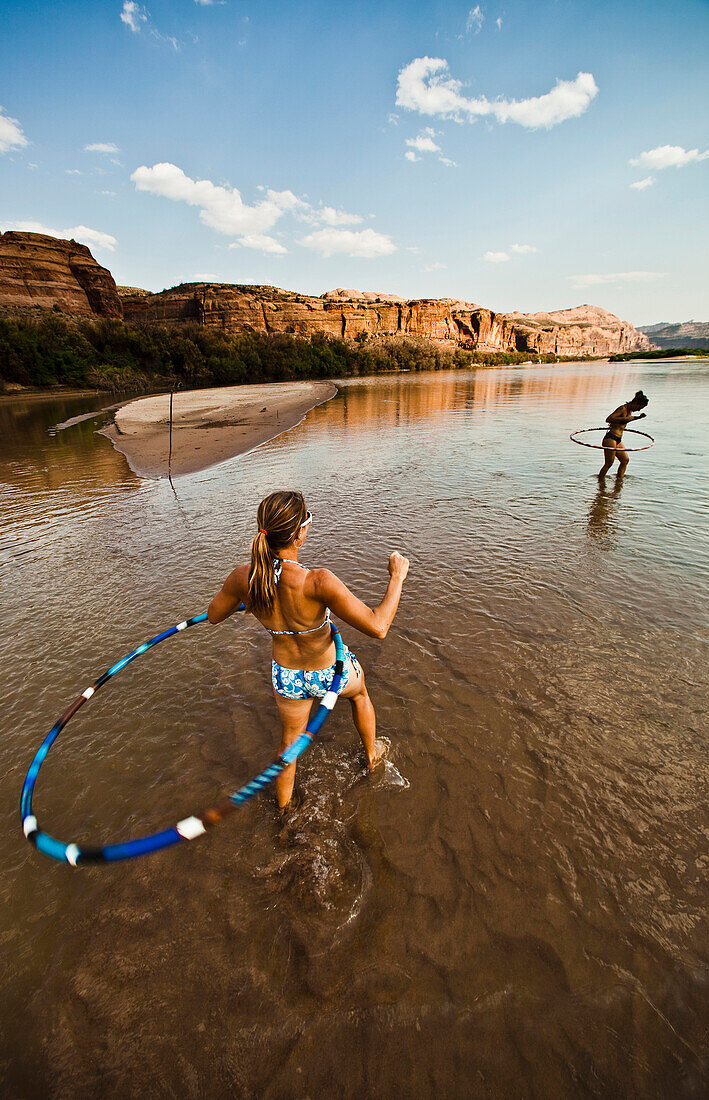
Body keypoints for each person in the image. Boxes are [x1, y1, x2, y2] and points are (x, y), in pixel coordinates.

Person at [207, 490, 409, 810]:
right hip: (330, 671)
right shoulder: (318, 581)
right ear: (300, 533)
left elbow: (214, 616)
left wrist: (248, 599)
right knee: (360, 693)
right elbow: (378, 627)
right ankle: (372, 757)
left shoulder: (243, 578)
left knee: (289, 747)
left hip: (287, 677)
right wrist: (397, 576)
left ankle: (285, 814)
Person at [598, 390, 649, 478]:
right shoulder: (623, 409)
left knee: (625, 460)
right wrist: (626, 419)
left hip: (618, 439)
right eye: (640, 407)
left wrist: (637, 418)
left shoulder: (630, 411)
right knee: (609, 463)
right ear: (636, 403)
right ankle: (600, 482)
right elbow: (609, 419)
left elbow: (628, 419)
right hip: (610, 438)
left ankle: (619, 482)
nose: (639, 410)